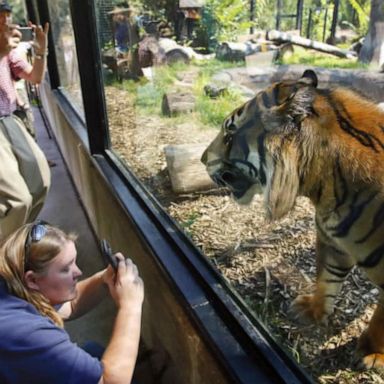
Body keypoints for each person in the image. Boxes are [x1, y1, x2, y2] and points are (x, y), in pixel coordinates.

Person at [0, 222, 144, 383]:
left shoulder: (11, 280)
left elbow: (68, 306)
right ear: (32, 279)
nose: (78, 272)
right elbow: (110, 381)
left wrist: (103, 279)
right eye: (65, 269)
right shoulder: (28, 333)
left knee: (92, 352)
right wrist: (131, 306)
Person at [0, 4, 51, 240]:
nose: (11, 27)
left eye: (9, 20)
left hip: (10, 119)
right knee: (17, 200)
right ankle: (7, 255)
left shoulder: (9, 53)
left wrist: (41, 51)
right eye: (3, 22)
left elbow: (36, 77)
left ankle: (21, 238)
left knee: (40, 180)